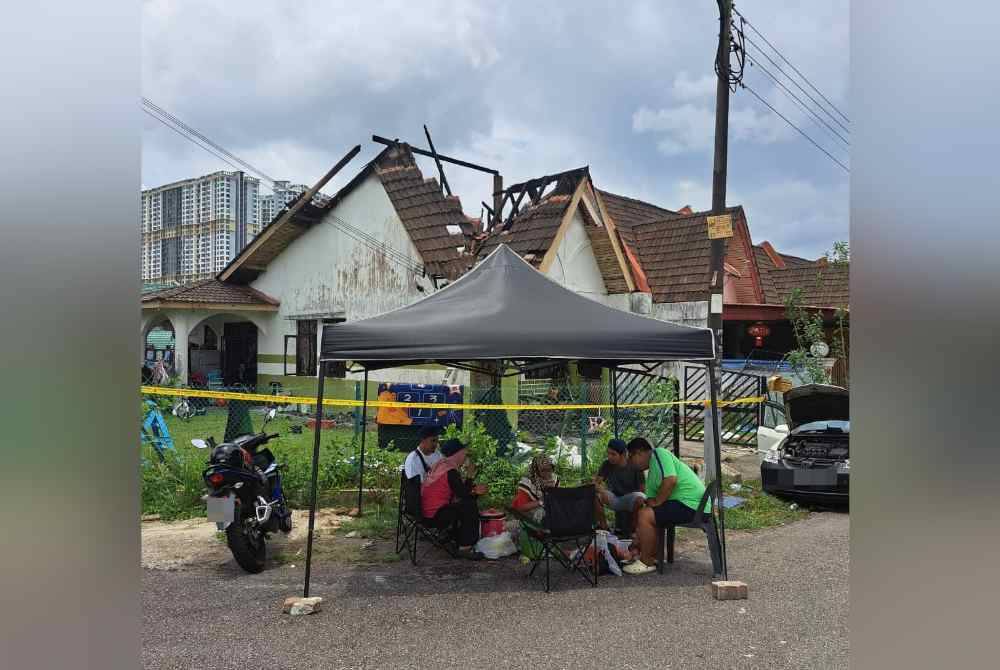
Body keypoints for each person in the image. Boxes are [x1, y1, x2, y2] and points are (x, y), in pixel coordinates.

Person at [622, 437, 710, 575]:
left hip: (693, 505)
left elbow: (670, 480)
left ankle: (646, 562)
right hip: (686, 504)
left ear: (639, 452)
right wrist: (637, 537)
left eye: (631, 457)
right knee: (645, 512)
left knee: (645, 516)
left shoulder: (659, 453)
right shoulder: (651, 474)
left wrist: (656, 502)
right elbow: (650, 501)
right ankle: (653, 555)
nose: (630, 463)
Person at [421, 438, 488, 559]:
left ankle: (456, 537)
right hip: (436, 516)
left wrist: (471, 485)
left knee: (466, 502)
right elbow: (463, 494)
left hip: (426, 512)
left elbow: (461, 491)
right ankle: (465, 547)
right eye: (464, 453)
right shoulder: (450, 471)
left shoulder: (441, 464)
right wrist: (472, 482)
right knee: (469, 505)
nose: (466, 456)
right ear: (458, 453)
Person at [593, 438, 646, 531]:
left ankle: (634, 530)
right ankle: (604, 527)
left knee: (641, 498)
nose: (609, 457)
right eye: (608, 453)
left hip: (630, 498)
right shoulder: (607, 464)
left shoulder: (634, 465)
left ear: (623, 454)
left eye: (613, 454)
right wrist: (602, 490)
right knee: (595, 495)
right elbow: (595, 483)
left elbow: (642, 490)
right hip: (614, 498)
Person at [511, 454, 559, 524]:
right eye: (543, 470)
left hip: (543, 506)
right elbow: (521, 507)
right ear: (536, 470)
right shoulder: (527, 482)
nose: (547, 473)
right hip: (525, 512)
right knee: (542, 513)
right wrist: (542, 501)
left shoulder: (554, 479)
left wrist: (551, 490)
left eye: (549, 469)